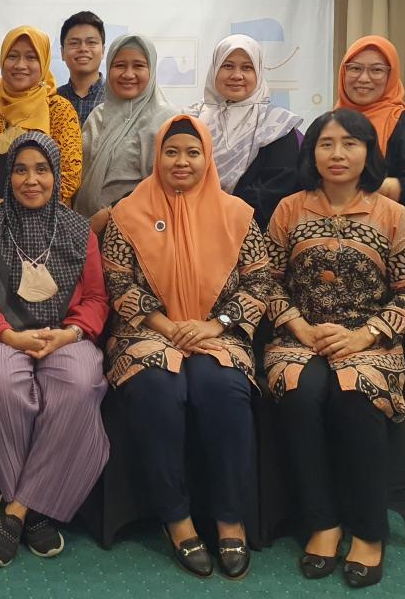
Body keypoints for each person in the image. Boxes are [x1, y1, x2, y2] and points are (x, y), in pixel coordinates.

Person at [102, 115, 274, 580]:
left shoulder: (237, 214)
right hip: (147, 333)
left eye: (192, 153)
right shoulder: (127, 213)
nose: (182, 161)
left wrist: (215, 325)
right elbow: (119, 285)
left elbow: (259, 282)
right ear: (157, 157)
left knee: (222, 391)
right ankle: (176, 519)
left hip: (218, 334)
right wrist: (168, 325)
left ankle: (229, 518)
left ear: (207, 159)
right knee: (158, 390)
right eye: (171, 152)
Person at [264, 109, 405, 589]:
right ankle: (322, 522)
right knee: (301, 392)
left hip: (369, 339)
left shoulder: (392, 213)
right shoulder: (288, 209)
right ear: (311, 152)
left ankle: (370, 531)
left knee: (356, 396)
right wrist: (297, 326)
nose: (337, 154)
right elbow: (266, 282)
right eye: (326, 143)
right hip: (299, 337)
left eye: (350, 143)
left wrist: (365, 335)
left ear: (367, 152)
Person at [0, 132, 109, 567]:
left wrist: (71, 333)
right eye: (20, 169)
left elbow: (97, 300)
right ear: (8, 176)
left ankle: (17, 508)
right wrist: (9, 336)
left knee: (79, 385)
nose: (31, 179)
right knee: (2, 383)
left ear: (57, 175)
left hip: (64, 335)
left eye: (42, 169)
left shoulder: (79, 230)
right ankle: (41, 509)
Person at [334, 35, 405, 263]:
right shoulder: (329, 124)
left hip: (391, 261)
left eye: (376, 70)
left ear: (391, 75)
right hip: (328, 262)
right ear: (343, 72)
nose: (363, 78)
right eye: (355, 68)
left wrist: (374, 188)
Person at [189, 35, 303, 229]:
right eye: (228, 66)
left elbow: (277, 187)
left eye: (247, 67)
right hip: (191, 225)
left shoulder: (276, 124)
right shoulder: (191, 119)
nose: (237, 75)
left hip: (253, 233)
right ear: (214, 69)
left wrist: (223, 216)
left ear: (258, 73)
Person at [0, 26, 83, 211]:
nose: (20, 65)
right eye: (12, 56)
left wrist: (23, 209)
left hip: (46, 221)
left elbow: (71, 174)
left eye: (31, 57)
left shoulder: (59, 110)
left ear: (44, 62)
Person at [74, 33, 177, 234]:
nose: (128, 74)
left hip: (136, 234)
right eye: (119, 65)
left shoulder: (167, 120)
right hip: (84, 230)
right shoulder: (98, 116)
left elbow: (166, 186)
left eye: (138, 66)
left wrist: (111, 214)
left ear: (152, 70)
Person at [56, 11, 106, 125]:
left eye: (91, 42)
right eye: (74, 43)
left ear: (103, 51)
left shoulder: (117, 97)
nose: (83, 48)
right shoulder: (52, 100)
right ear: (62, 52)